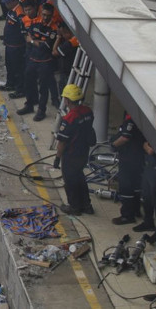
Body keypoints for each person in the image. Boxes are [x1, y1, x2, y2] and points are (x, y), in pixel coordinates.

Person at [54, 84, 96, 215]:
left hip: (71, 154)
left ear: (66, 100)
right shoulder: (88, 111)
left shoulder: (69, 119)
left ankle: (74, 207)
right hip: (83, 152)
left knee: (70, 181)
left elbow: (62, 142)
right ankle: (86, 205)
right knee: (80, 177)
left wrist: (57, 158)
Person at [17, 2, 58, 121]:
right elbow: (27, 36)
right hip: (32, 59)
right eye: (44, 14)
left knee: (43, 87)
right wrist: (35, 41)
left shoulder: (53, 29)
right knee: (29, 82)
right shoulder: (35, 22)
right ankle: (29, 105)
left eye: (48, 15)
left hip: (45, 62)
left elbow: (44, 46)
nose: (45, 17)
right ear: (41, 13)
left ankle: (41, 110)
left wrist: (33, 41)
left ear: (52, 15)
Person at [110, 113, 145, 225]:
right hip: (138, 157)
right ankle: (135, 211)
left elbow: (125, 137)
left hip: (129, 157)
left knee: (126, 186)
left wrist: (114, 145)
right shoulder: (141, 117)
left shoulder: (131, 119)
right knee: (136, 186)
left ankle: (127, 215)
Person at [133, 139, 156, 235]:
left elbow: (151, 150)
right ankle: (148, 222)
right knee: (146, 197)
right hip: (149, 165)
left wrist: (144, 145)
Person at [1, 0, 26, 92]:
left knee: (18, 68)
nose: (6, 4)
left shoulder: (19, 13)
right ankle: (10, 84)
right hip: (9, 44)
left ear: (14, 1)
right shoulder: (11, 10)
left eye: (8, 2)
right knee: (9, 66)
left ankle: (19, 89)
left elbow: (23, 31)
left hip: (16, 46)